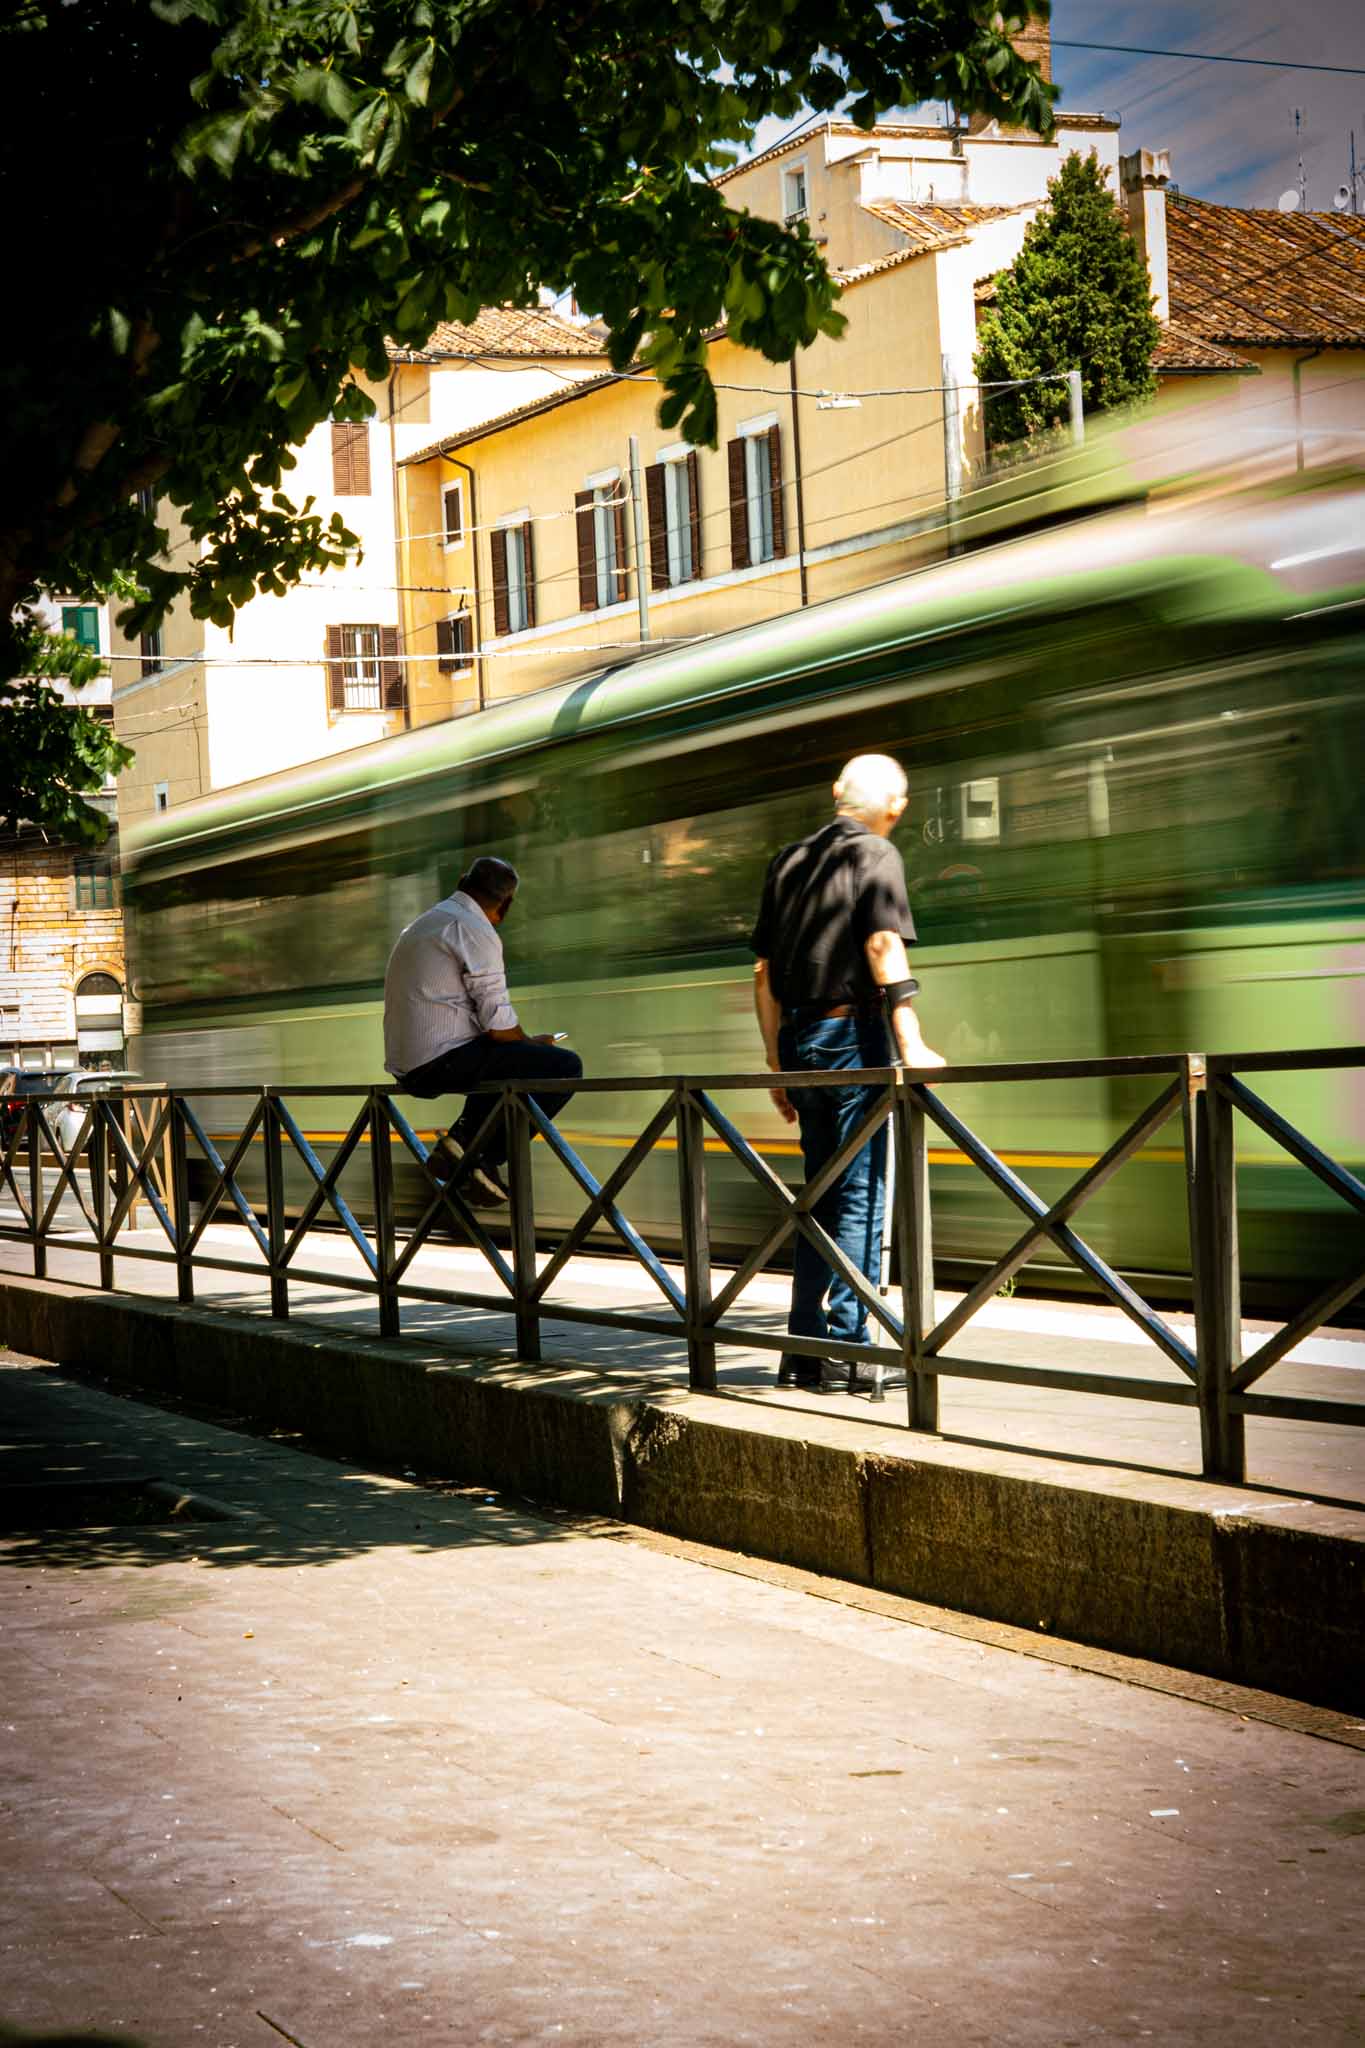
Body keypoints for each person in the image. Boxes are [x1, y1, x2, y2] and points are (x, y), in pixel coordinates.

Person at [750, 754, 944, 1394]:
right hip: (853, 1036)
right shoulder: (877, 856)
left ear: (838, 795)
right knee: (860, 1191)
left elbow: (762, 974)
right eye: (905, 798)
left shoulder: (787, 861)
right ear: (893, 806)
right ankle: (848, 1352)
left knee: (818, 1196)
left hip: (801, 1037)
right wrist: (911, 1040)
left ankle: (804, 1348)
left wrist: (778, 1062)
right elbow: (882, 945)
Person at [383, 856, 581, 1205]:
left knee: (510, 1063)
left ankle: (461, 1143)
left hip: (408, 1065)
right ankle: (484, 1159)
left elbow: (495, 1034)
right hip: (440, 1061)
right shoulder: (474, 929)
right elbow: (498, 1026)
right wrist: (533, 1046)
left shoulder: (424, 923)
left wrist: (525, 1046)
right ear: (505, 904)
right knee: (564, 1067)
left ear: (462, 882)